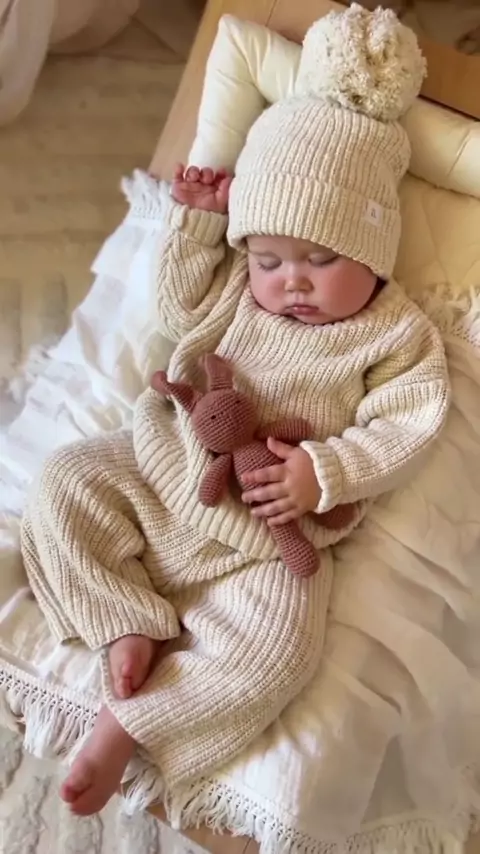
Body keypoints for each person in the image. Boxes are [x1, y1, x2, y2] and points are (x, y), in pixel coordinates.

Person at [20, 3, 450, 817]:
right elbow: (177, 308)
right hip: (161, 474)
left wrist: (324, 471)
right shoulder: (238, 291)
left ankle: (131, 724)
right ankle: (124, 622)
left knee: (282, 653)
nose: (292, 281)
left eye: (321, 258)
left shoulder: (394, 333)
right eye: (270, 258)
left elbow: (411, 423)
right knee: (64, 482)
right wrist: (196, 226)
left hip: (268, 540)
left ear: (374, 250)